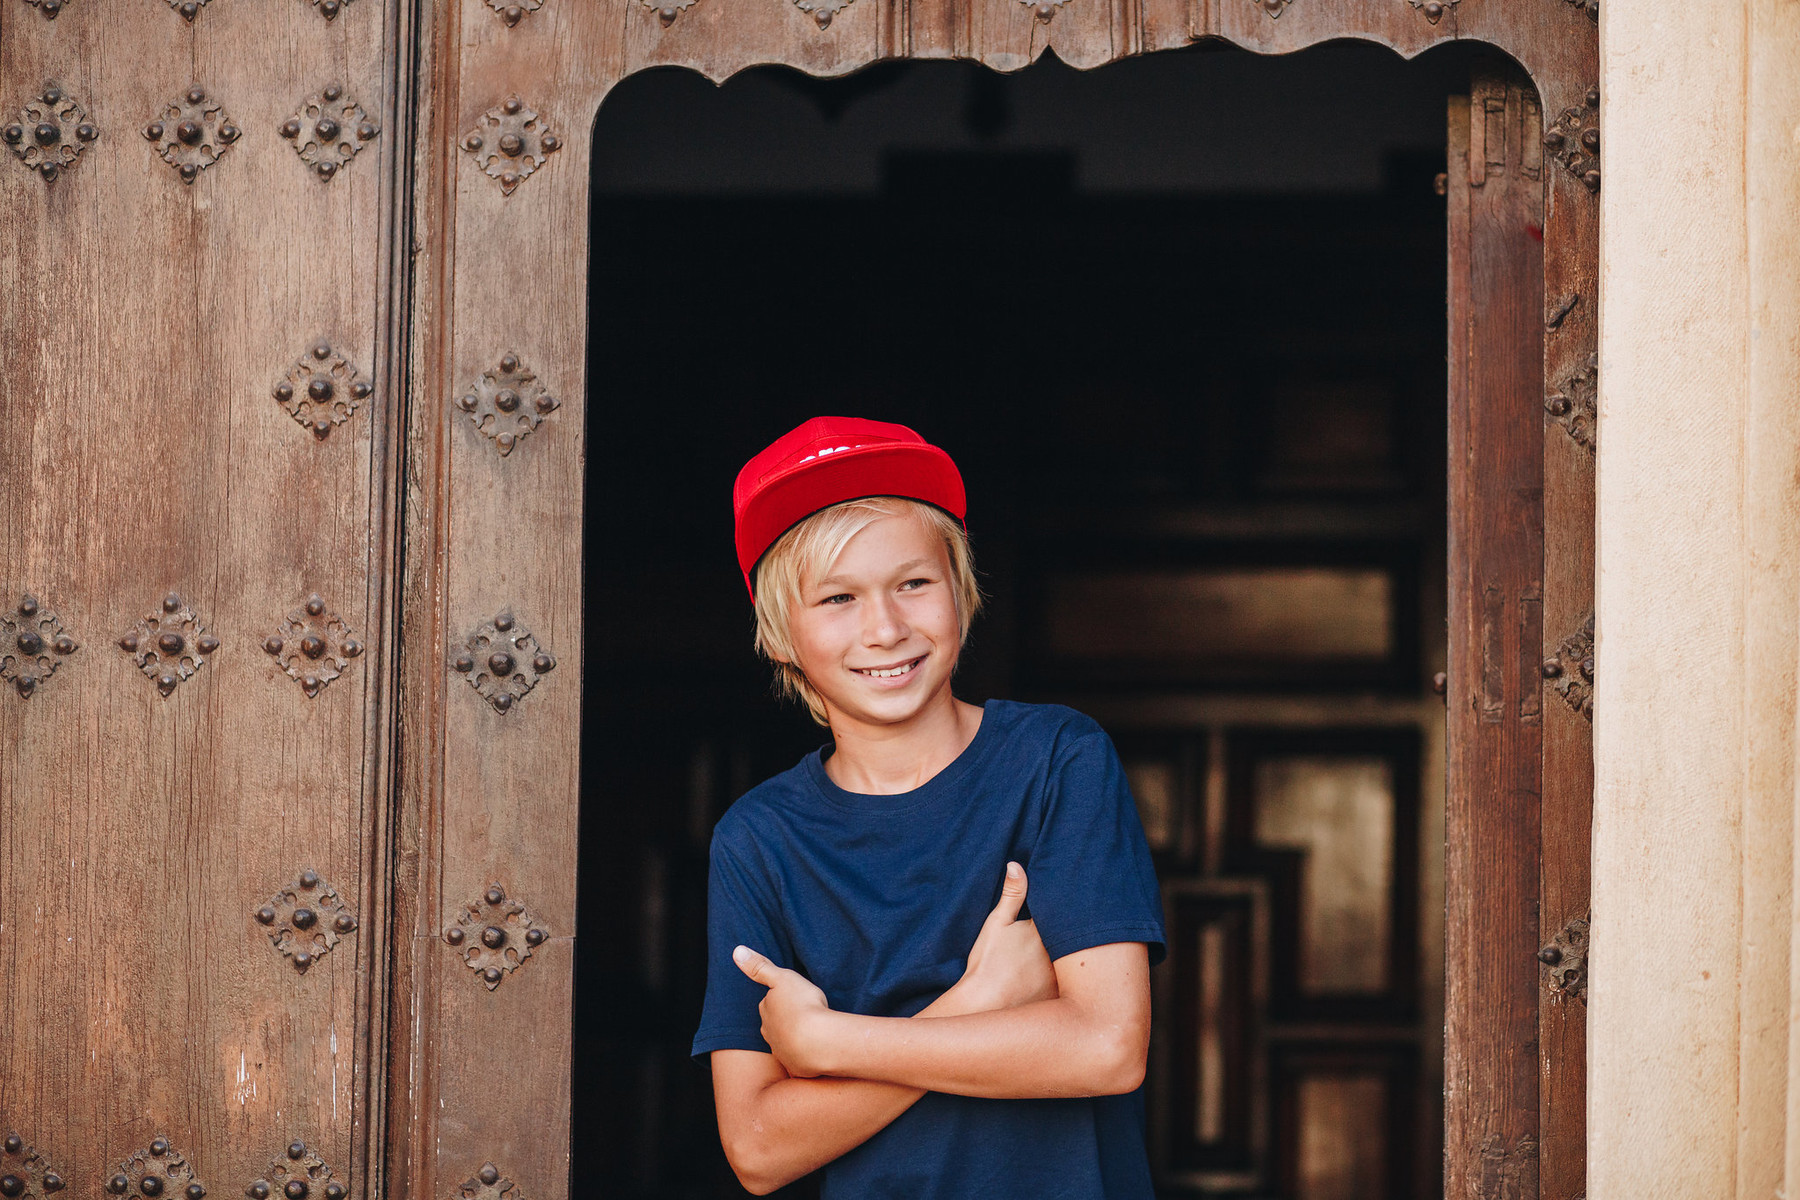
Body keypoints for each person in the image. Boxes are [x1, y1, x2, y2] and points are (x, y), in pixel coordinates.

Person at [692, 416, 1166, 1198]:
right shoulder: (760, 839)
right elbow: (757, 1148)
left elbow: (1106, 1048)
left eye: (913, 583)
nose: (886, 628)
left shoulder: (1055, 760)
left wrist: (831, 1041)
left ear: (960, 593)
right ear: (781, 635)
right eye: (838, 598)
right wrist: (975, 1002)